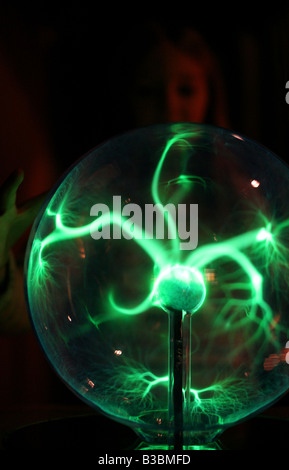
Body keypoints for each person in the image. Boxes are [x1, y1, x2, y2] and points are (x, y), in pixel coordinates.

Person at [0, 20, 229, 407]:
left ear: (209, 92)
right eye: (149, 92)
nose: (171, 107)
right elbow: (26, 314)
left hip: (217, 407)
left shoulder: (239, 197)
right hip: (121, 410)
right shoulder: (96, 196)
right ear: (126, 97)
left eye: (186, 89)